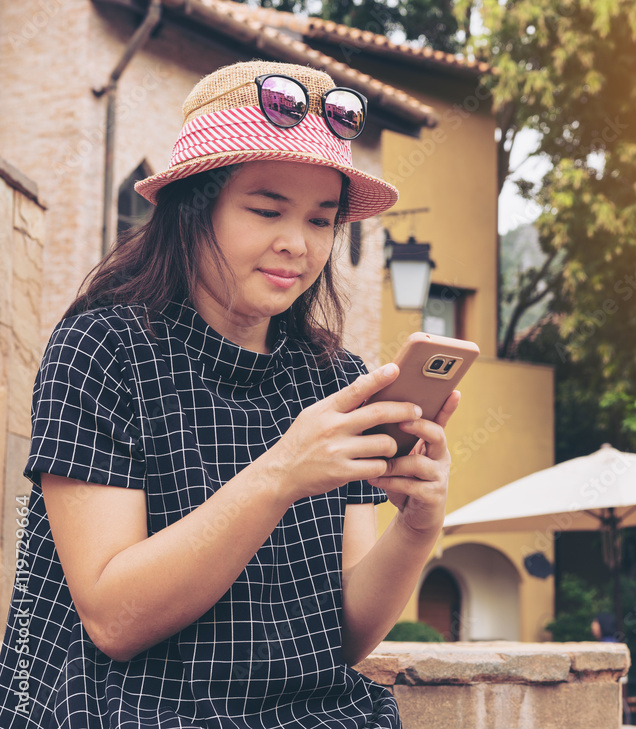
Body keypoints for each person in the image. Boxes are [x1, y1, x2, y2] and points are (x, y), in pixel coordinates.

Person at [0, 60, 458, 729]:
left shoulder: (334, 380)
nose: (296, 244)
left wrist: (418, 526)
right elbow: (112, 616)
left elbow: (343, 636)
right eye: (266, 209)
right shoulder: (102, 349)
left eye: (321, 221)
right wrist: (280, 475)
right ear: (194, 206)